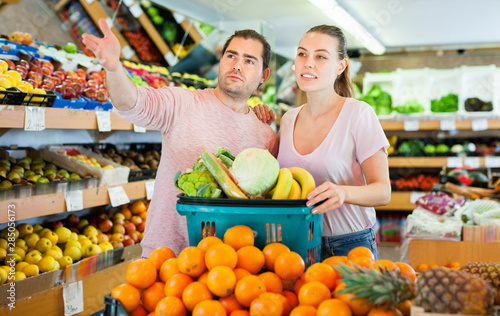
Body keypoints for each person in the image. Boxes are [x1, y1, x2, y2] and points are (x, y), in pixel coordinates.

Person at [82, 19, 277, 257]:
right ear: (221, 61)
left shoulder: (265, 136)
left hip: (226, 264)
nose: (237, 65)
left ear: (263, 75)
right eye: (231, 56)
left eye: (249, 61)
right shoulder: (183, 102)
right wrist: (113, 68)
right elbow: (132, 103)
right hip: (164, 256)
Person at [254, 25, 390, 260]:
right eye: (302, 54)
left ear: (341, 66)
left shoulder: (358, 114)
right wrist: (257, 123)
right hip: (294, 243)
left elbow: (383, 192)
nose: (308, 63)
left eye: (321, 56)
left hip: (349, 245)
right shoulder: (288, 119)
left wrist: (343, 193)